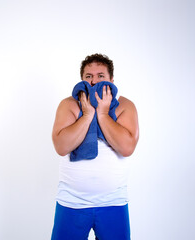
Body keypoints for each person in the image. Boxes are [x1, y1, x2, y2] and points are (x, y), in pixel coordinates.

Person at [51, 53, 139, 240]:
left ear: (111, 80)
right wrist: (87, 115)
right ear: (82, 80)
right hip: (72, 201)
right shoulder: (69, 105)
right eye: (88, 77)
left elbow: (126, 148)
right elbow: (61, 146)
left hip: (113, 202)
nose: (93, 82)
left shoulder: (125, 106)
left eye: (101, 76)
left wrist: (104, 114)